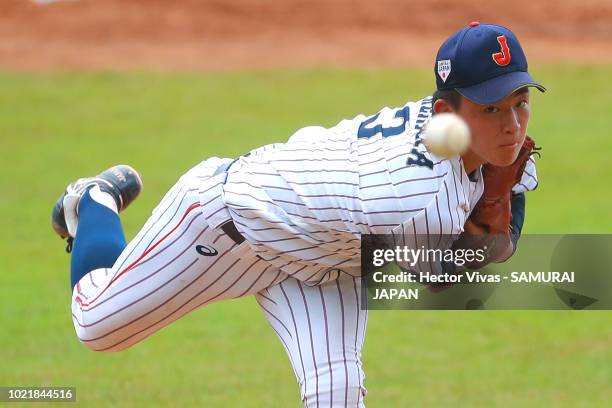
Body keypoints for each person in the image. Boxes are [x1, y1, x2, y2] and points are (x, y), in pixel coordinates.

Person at [52, 22, 544, 407]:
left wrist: (500, 191)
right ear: (445, 113)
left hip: (327, 259)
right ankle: (94, 200)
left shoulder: (458, 128)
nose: (513, 126)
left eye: (519, 103)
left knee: (338, 392)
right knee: (95, 324)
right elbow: (446, 276)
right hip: (229, 224)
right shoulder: (416, 194)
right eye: (491, 111)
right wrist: (501, 207)